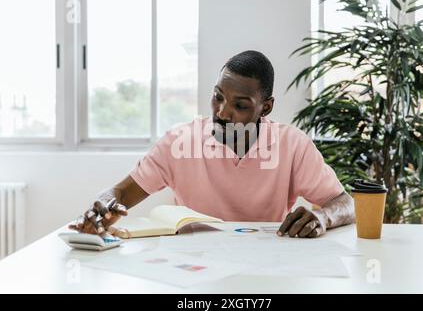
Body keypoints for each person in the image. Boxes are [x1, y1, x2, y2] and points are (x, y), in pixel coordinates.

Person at [69, 50, 355, 239]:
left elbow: (344, 203)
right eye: (218, 96)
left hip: (264, 263)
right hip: (190, 266)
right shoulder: (179, 142)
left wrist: (322, 216)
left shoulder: (292, 145)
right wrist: (102, 206)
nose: (222, 112)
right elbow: (121, 191)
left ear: (265, 108)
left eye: (240, 105)